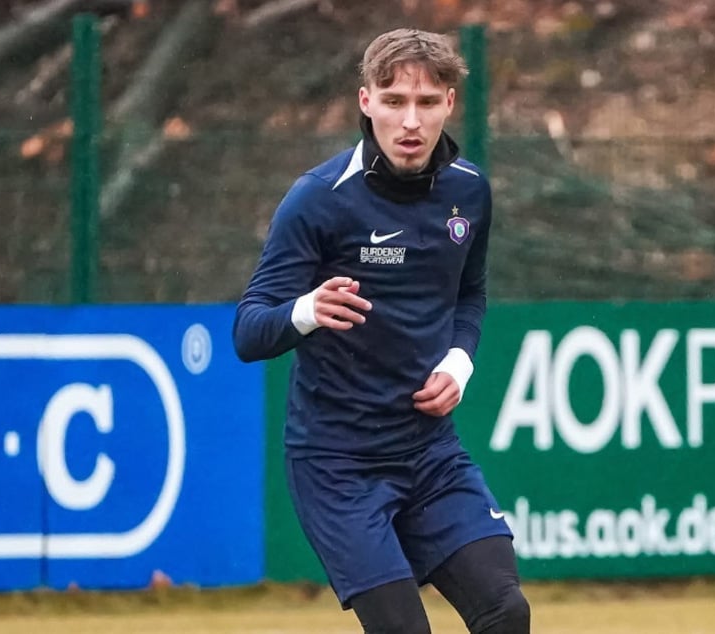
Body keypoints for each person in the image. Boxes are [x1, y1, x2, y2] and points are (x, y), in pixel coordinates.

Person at [233, 28, 530, 634]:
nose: (410, 121)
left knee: (505, 611)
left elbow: (469, 294)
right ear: (365, 102)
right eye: (394, 101)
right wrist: (306, 311)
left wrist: (458, 363)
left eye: (426, 102)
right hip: (337, 465)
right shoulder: (317, 200)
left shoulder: (469, 191)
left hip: (428, 452)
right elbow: (248, 331)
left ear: (450, 102)